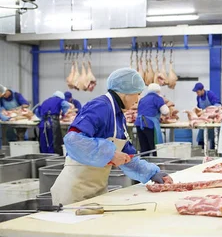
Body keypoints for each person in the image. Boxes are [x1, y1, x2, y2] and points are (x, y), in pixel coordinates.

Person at [51, 68, 172, 205]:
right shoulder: (100, 106)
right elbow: (74, 140)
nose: (137, 99)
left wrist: (151, 173)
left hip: (96, 191)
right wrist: (110, 154)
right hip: (73, 193)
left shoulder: (119, 116)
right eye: (137, 94)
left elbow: (127, 156)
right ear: (126, 93)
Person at [135, 83, 170, 156]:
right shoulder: (157, 98)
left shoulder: (142, 99)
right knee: (154, 147)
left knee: (144, 148)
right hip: (149, 124)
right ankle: (156, 163)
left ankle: (144, 164)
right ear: (158, 91)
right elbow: (165, 111)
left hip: (139, 123)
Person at [193, 82, 221, 150]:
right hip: (204, 120)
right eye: (196, 92)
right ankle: (201, 152)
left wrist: (210, 111)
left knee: (214, 137)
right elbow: (199, 108)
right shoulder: (198, 98)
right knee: (201, 137)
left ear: (202, 90)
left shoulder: (210, 94)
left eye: (198, 92)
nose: (197, 93)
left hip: (212, 119)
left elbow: (218, 105)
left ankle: (214, 151)